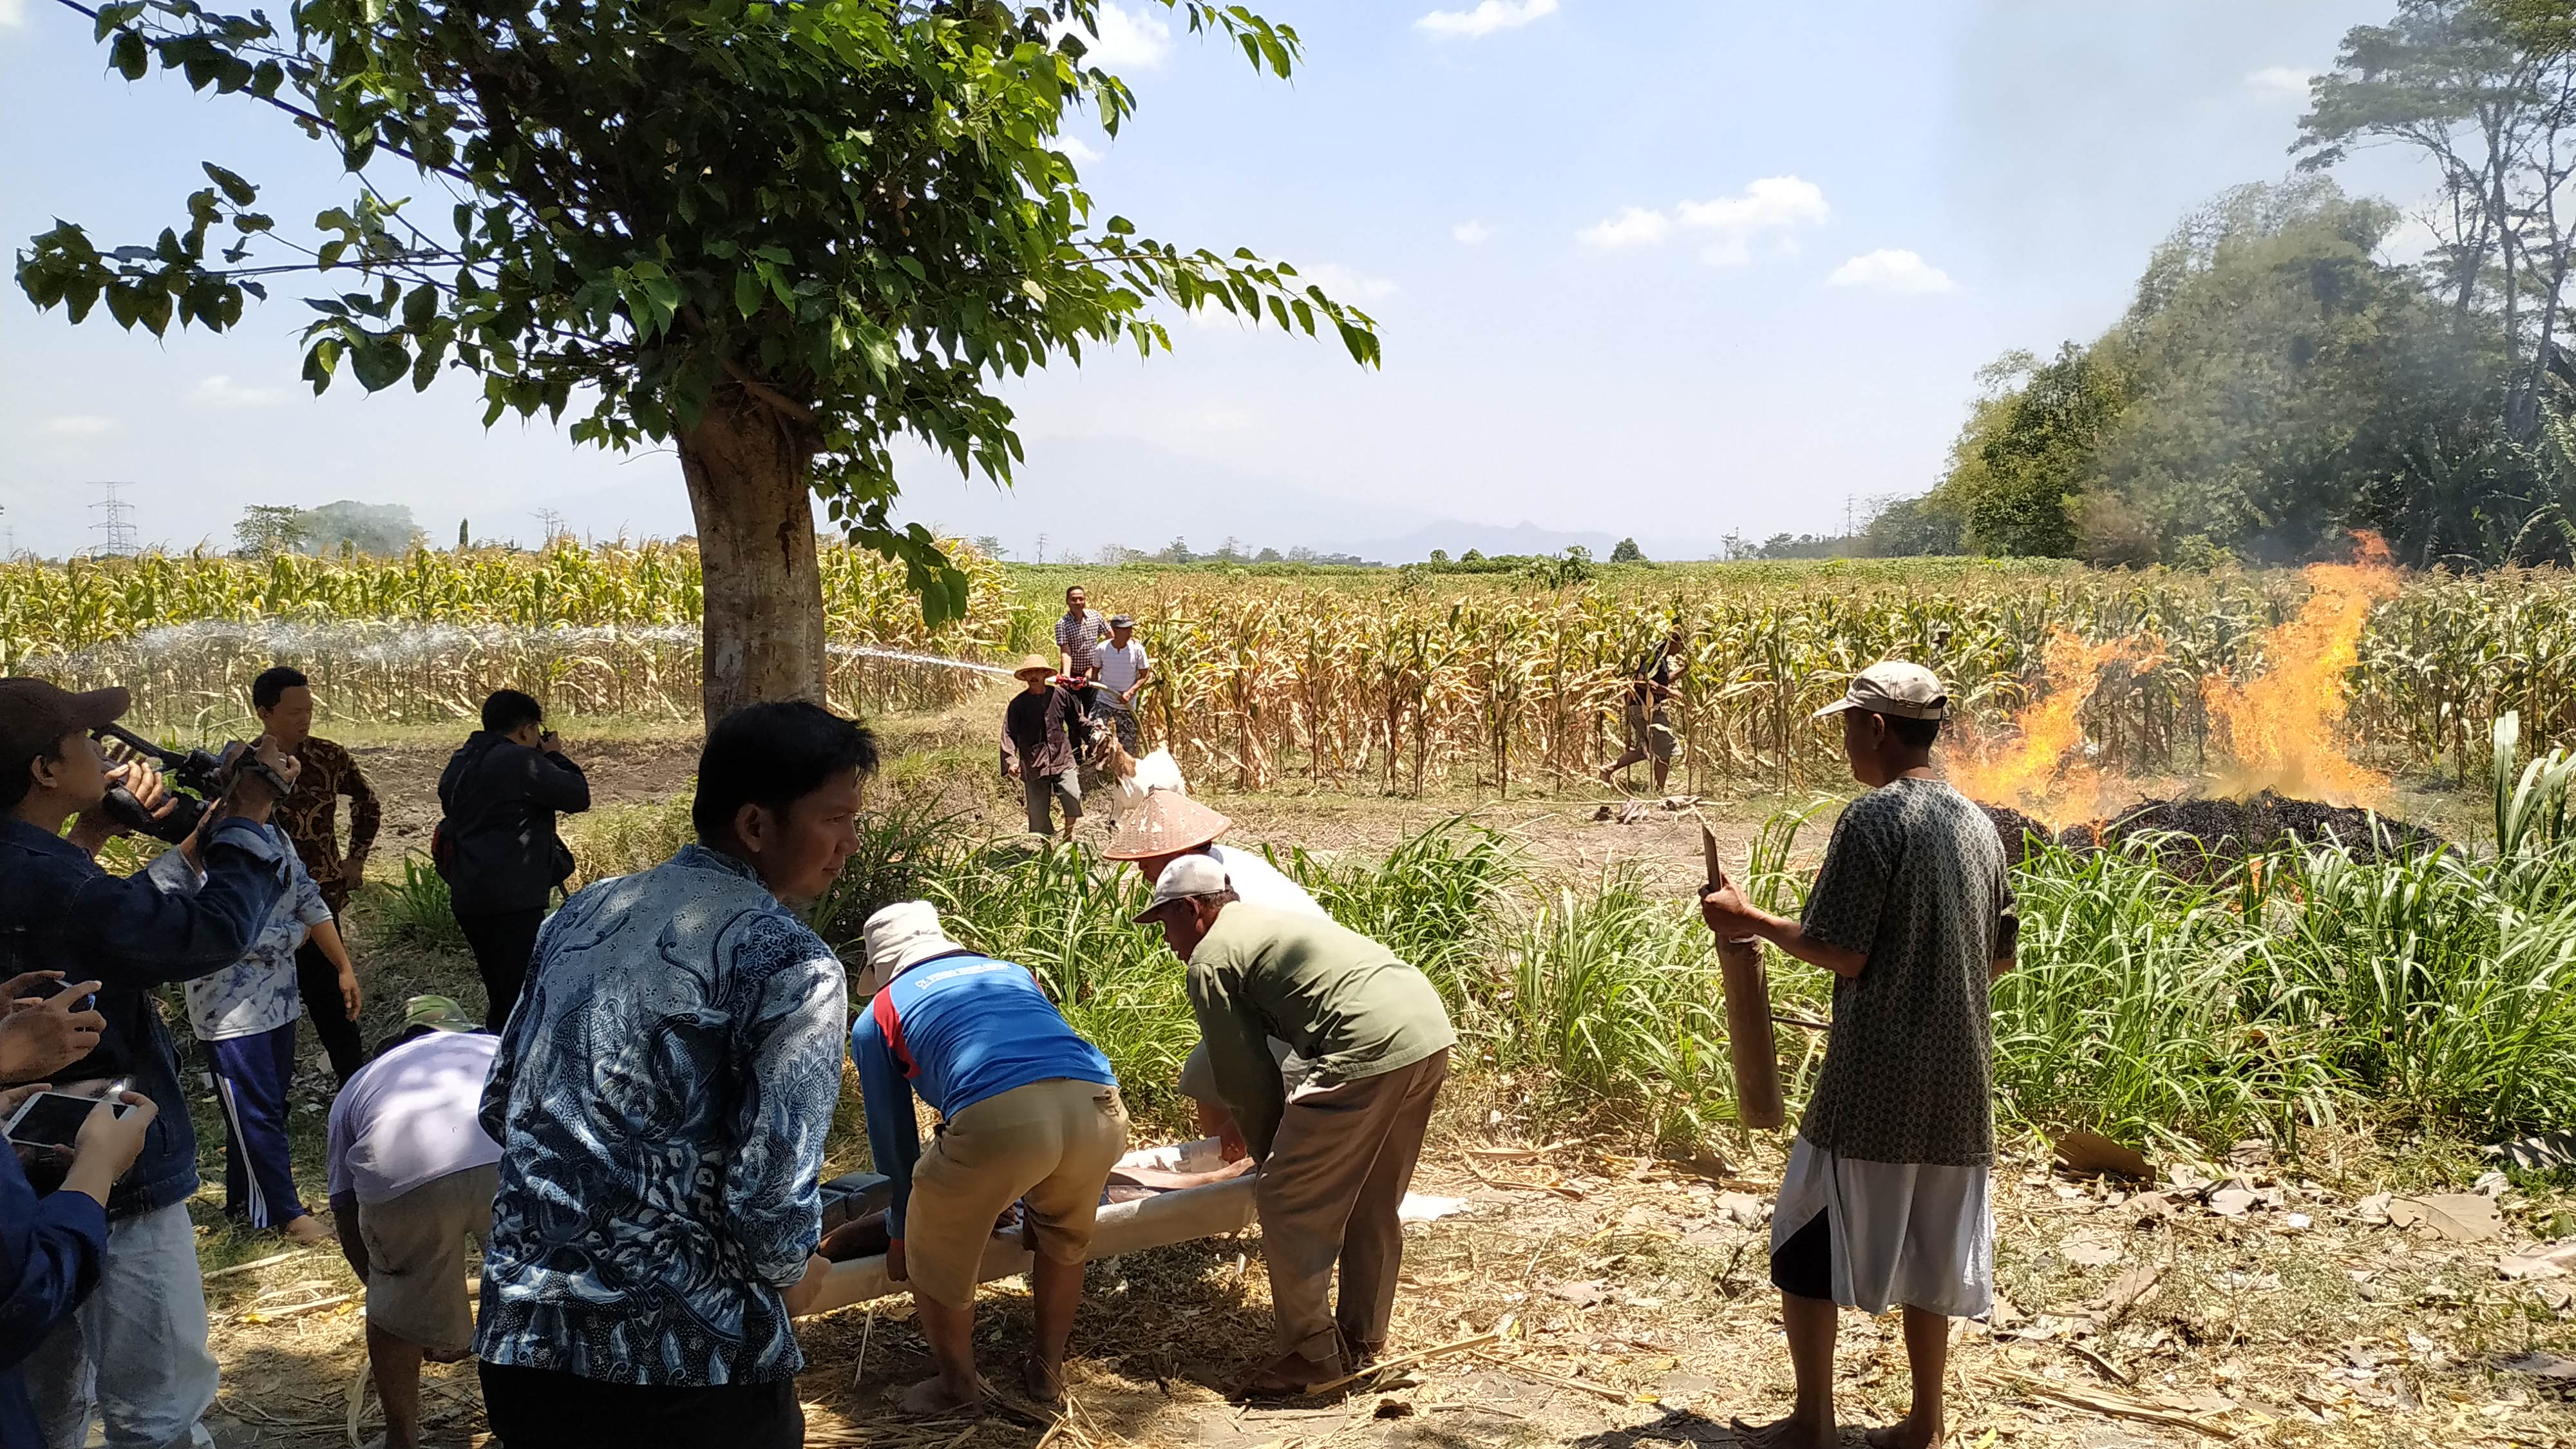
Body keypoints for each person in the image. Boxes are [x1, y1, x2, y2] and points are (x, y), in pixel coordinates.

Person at [474, 701, 871, 1448]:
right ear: (756, 825)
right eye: (835, 820)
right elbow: (767, 1197)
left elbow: (503, 1106)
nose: (850, 843)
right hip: (686, 1371)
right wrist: (795, 1271)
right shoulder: (791, 963)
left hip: (525, 1338)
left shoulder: (586, 911)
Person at [1695, 661, 2018, 1449]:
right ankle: (1924, 1425)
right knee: (1932, 1252)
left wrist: (1747, 918)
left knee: (1805, 1240)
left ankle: (1813, 1423)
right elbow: (1999, 958)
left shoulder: (1875, 819)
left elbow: (1840, 949)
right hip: (1959, 1085)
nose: (1844, 741)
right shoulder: (1979, 827)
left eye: (1848, 725)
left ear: (1876, 728)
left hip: (1874, 1082)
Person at [0, 678, 296, 1449]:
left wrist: (90, 839)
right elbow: (208, 935)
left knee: (47, 1411)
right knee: (157, 1411)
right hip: (113, 1179)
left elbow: (85, 932)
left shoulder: (34, 863)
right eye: (88, 741)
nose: (105, 752)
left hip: (18, 1187)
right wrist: (250, 816)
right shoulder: (48, 876)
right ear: (44, 770)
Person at [1136, 857, 1457, 1396]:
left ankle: (1310, 1357)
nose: (1167, 941)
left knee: (1286, 1199)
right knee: (1371, 1198)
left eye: (1165, 924)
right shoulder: (1262, 924)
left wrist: (1271, 1161)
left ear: (1193, 909)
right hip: (1425, 1029)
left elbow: (1244, 1075)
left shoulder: (1211, 958)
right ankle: (1364, 1339)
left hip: (1367, 1043)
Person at [851, 902, 1128, 1413]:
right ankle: (1047, 1373)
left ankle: (957, 1387)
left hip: (1002, 1118)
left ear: (881, 967)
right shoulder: (1013, 974)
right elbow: (1044, 1067)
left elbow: (893, 1140)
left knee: (933, 1253)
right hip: (1100, 1104)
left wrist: (900, 1231)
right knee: (1063, 1239)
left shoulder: (880, 1014)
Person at [149, 810, 351, 1245]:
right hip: (229, 1011)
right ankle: (286, 1213)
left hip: (279, 999)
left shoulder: (276, 834)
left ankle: (246, 1201)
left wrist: (343, 966)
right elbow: (221, 933)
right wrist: (293, 936)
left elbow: (307, 898)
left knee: (270, 1106)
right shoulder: (210, 848)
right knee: (255, 1111)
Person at [1101, 791, 1325, 1159]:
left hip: (1302, 1003)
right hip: (1264, 996)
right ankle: (1230, 1168)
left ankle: (1256, 1167)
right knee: (1204, 1075)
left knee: (1252, 1090)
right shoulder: (1207, 872)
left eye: (1146, 858)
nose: (1141, 869)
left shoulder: (1220, 891)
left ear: (1179, 853)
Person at [326, 996, 502, 1449]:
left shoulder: (363, 1081)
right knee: (531, 1291)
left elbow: (345, 1210)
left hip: (402, 1168)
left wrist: (393, 1295)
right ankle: (528, 1423)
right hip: (507, 1157)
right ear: (467, 1031)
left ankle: (401, 1437)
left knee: (393, 1309)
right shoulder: (499, 1047)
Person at [253, 665, 378, 1084]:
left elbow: (367, 802)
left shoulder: (329, 757)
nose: (304, 720)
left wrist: (356, 858)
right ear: (264, 713)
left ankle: (354, 1087)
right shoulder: (246, 767)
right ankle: (273, 1094)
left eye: (309, 710)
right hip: (265, 909)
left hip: (322, 901)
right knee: (268, 1008)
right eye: (293, 713)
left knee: (334, 1003)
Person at [435, 689, 589, 1027]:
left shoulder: (461, 760)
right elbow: (578, 796)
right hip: (512, 900)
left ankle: (499, 1047)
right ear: (526, 730)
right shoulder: (520, 761)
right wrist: (554, 757)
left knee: (502, 991)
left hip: (469, 894)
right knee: (523, 995)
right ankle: (514, 1064)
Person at [1001, 656, 1083, 842]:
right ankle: (1047, 848)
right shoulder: (1018, 705)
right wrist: (1011, 761)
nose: (1033, 676)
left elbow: (1076, 720)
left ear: (1046, 674)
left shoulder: (1060, 695)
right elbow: (1008, 734)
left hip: (1062, 758)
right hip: (1034, 764)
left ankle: (1068, 836)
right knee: (1038, 813)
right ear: (1025, 677)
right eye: (1029, 673)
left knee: (1073, 795)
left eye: (1037, 671)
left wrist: (1094, 730)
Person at [1602, 624, 1688, 795]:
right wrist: (1670, 692)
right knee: (1666, 748)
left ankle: (1607, 770)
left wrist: (1684, 670)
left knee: (1644, 750)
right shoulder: (1654, 656)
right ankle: (1659, 791)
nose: (1681, 651)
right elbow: (1642, 681)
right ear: (1672, 642)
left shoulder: (1660, 658)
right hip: (1647, 709)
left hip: (1639, 708)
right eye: (1681, 646)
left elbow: (1660, 681)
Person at [1091, 615, 1151, 755]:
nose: (1130, 632)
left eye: (1131, 628)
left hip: (1126, 705)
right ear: (1115, 630)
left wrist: (1131, 692)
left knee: (1128, 749)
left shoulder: (1137, 650)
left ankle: (1125, 775)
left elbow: (1145, 674)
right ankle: (1099, 768)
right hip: (1104, 701)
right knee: (1096, 736)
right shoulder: (1102, 648)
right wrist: (1095, 685)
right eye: (1126, 629)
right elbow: (1095, 672)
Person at [1054, 585, 1107, 681]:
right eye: (1074, 599)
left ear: (1085, 600)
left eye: (1081, 599)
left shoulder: (1095, 617)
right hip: (1072, 673)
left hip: (1092, 672)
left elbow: (1111, 636)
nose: (1078, 602)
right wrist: (1066, 677)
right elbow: (1066, 652)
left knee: (1092, 696)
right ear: (1067, 601)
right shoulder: (1062, 624)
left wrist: (1128, 639)